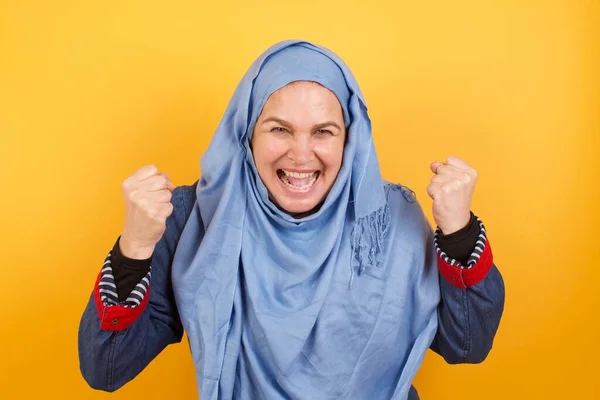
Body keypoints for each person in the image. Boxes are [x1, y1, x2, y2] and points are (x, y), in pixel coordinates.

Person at [78, 40, 504, 400]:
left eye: (323, 131)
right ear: (247, 133)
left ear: (350, 141)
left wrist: (460, 232)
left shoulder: (389, 220)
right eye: (279, 129)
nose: (301, 154)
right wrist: (133, 249)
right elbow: (107, 368)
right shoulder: (197, 217)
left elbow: (467, 344)